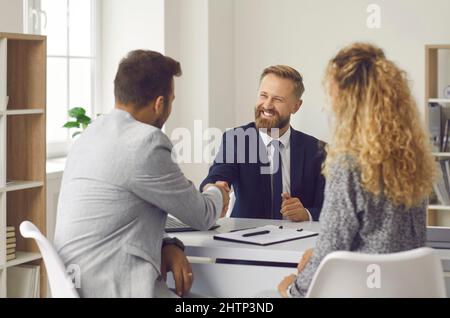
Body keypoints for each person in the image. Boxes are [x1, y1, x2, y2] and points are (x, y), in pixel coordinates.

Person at [54, 50, 230, 298]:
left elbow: (119, 218)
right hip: (115, 287)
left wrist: (168, 243)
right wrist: (217, 192)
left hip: (79, 284)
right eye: (172, 100)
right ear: (160, 103)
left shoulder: (90, 134)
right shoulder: (146, 143)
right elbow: (202, 215)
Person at [278, 43, 437, 297]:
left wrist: (291, 290)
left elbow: (332, 247)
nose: (327, 107)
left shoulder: (349, 165)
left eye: (331, 96)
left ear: (348, 102)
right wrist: (319, 255)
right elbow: (378, 244)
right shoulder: (414, 161)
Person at [200, 65, 326, 221]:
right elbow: (217, 176)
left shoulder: (318, 150)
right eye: (263, 95)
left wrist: (306, 213)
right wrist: (216, 190)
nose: (267, 105)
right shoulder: (237, 139)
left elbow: (331, 209)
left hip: (299, 242)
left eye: (278, 99)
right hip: (247, 240)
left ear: (296, 106)